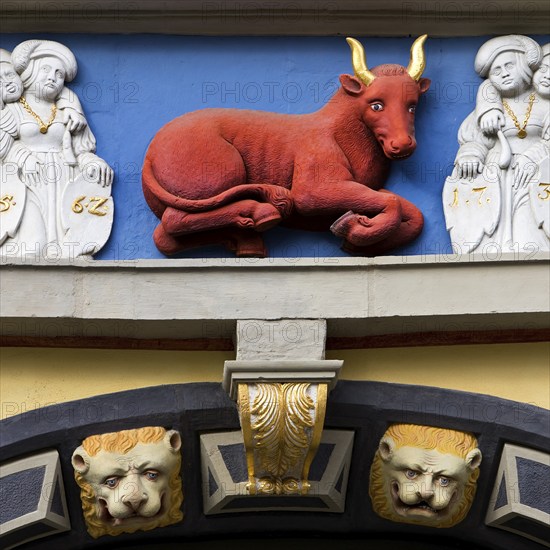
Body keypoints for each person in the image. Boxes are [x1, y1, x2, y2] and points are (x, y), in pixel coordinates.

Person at [1, 39, 114, 259]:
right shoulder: (15, 109)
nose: (52, 77)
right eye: (45, 69)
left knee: (65, 251)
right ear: (31, 72)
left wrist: (91, 162)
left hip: (63, 178)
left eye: (59, 74)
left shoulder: (68, 110)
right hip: (27, 182)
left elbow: (82, 150)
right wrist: (23, 157)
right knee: (31, 247)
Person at [444, 36, 549, 253]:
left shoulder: (544, 102)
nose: (505, 73)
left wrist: (533, 157)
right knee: (496, 235)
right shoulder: (490, 108)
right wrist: (470, 155)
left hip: (534, 175)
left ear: (523, 66)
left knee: (528, 230)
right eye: (497, 70)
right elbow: (474, 140)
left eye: (509, 65)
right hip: (496, 177)